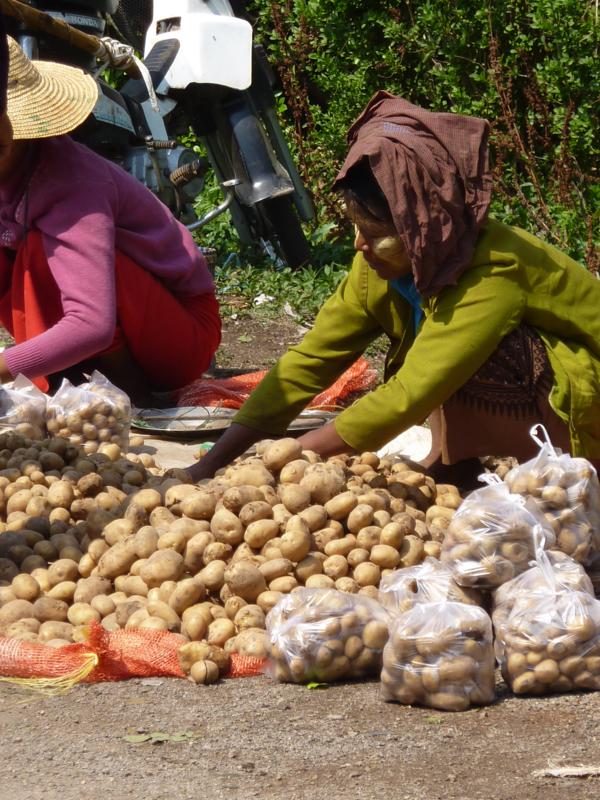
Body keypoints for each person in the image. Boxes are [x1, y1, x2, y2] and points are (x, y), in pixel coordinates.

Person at [188, 90, 600, 484]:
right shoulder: (381, 263)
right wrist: (212, 463)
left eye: (375, 231)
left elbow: (412, 391)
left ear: (420, 227)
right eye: (356, 226)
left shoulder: (492, 269)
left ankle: (561, 471)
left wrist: (285, 460)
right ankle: (456, 463)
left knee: (477, 353)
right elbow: (311, 361)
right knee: (432, 349)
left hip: (588, 392)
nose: (358, 244)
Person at [0, 37, 220, 405]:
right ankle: (68, 384)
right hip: (115, 324)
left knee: (38, 252)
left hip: (181, 333)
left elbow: (91, 324)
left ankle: (135, 397)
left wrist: (4, 366)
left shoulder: (70, 181)